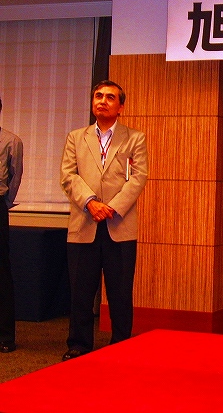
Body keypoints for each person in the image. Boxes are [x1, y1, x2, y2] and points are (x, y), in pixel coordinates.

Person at [60, 80, 148, 361]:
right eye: (98, 96)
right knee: (81, 291)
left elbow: (138, 178)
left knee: (120, 292)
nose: (102, 101)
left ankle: (121, 343)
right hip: (84, 223)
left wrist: (111, 207)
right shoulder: (76, 137)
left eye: (110, 97)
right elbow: (68, 176)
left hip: (119, 225)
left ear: (120, 106)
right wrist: (90, 203)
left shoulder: (135, 138)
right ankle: (79, 344)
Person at [0, 98, 23, 354]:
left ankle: (5, 335)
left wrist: (3, 203)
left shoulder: (11, 141)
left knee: (1, 272)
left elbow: (15, 178)